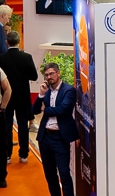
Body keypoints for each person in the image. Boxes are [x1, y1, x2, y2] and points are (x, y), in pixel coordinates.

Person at [33, 62, 70, 196]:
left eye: (51, 74)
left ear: (58, 73)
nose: (49, 77)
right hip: (45, 138)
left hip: (60, 138)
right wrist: (41, 95)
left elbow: (63, 110)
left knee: (64, 174)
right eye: (46, 75)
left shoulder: (68, 90)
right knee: (50, 175)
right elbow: (34, 110)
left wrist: (46, 110)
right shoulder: (46, 91)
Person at [0, 31, 36, 165]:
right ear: (19, 41)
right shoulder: (27, 57)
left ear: (6, 42)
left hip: (6, 96)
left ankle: (7, 155)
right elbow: (34, 76)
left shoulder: (1, 58)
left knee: (7, 125)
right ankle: (23, 154)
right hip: (23, 96)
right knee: (23, 124)